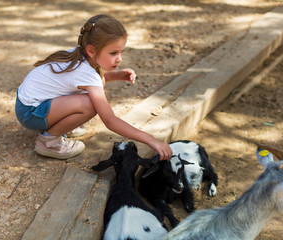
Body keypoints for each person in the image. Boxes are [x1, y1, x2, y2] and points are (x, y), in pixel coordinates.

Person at [15, 14, 173, 160]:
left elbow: (84, 81)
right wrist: (151, 141)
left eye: (121, 52)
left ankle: (59, 125)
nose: (120, 58)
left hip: (28, 104)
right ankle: (49, 141)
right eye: (113, 53)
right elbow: (109, 120)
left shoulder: (79, 54)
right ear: (91, 50)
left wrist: (115, 75)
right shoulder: (87, 74)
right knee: (91, 105)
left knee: (94, 91)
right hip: (30, 113)